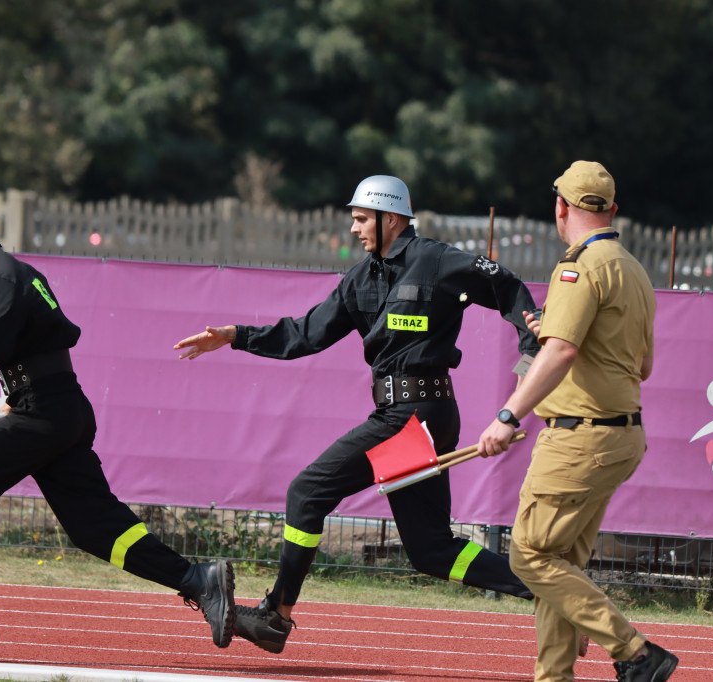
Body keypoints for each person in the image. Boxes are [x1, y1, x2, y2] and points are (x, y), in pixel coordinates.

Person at [174, 175, 540, 654]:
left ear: (392, 218)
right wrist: (235, 336)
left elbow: (507, 285)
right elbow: (305, 335)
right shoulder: (360, 279)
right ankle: (548, 589)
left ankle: (276, 616)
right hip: (403, 415)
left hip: (417, 417)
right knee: (431, 551)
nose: (353, 228)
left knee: (307, 492)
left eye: (362, 218)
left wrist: (531, 350)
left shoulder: (437, 259)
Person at [0, 200, 235, 647]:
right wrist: (19, 394)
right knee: (95, 528)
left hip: (45, 413)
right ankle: (199, 580)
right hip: (57, 408)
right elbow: (35, 340)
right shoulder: (11, 273)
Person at [477, 161, 676, 681]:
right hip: (621, 437)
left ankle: (634, 651)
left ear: (560, 207)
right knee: (558, 562)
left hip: (579, 437)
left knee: (529, 560)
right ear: (612, 210)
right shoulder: (632, 269)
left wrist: (507, 415)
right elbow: (642, 365)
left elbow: (562, 351)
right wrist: (560, 336)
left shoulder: (578, 267)